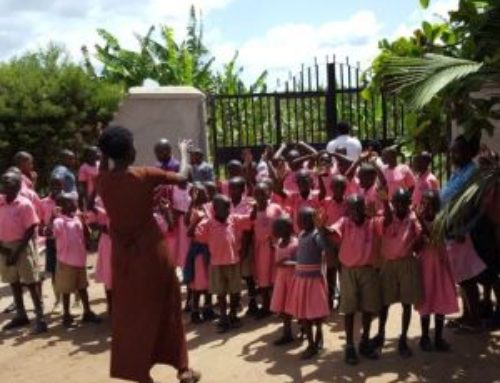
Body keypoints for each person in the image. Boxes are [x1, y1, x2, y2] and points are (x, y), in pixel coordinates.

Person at [96, 126, 200, 383]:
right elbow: (183, 177)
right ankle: (182, 368)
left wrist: (104, 145)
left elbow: (104, 164)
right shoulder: (145, 174)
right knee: (168, 306)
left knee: (131, 314)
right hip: (152, 253)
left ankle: (140, 373)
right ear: (130, 151)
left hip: (123, 258)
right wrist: (184, 153)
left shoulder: (102, 180)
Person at [329, 192, 389, 365]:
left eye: (357, 208)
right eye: (351, 209)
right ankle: (349, 346)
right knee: (349, 309)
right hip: (348, 271)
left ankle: (364, 341)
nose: (354, 211)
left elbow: (388, 222)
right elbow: (331, 230)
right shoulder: (345, 222)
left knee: (368, 308)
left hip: (368, 270)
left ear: (363, 208)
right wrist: (320, 227)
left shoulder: (372, 222)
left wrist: (384, 203)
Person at [372, 188, 423, 358]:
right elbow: (384, 221)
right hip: (389, 264)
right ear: (392, 204)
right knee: (384, 303)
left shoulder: (413, 218)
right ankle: (381, 334)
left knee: (406, 303)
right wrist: (386, 202)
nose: (400, 206)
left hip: (407, 263)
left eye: (404, 203)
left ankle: (403, 339)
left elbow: (419, 240)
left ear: (409, 204)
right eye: (397, 203)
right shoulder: (385, 215)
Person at [191, 194, 252, 333]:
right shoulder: (208, 223)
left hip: (233, 261)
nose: (228, 210)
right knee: (221, 293)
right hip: (216, 264)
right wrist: (197, 219)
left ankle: (233, 315)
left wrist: (253, 209)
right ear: (215, 209)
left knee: (235, 291)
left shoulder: (232, 219)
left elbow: (248, 219)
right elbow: (196, 235)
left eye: (228, 207)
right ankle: (223, 317)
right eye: (224, 207)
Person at [0, 170, 47, 334]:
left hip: (22, 247)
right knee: (13, 281)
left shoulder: (24, 204)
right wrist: (3, 249)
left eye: (8, 182)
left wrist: (16, 252)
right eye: (3, 181)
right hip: (4, 247)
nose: (4, 184)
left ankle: (40, 317)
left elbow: (30, 229)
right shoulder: (0, 202)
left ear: (18, 185)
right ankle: (21, 315)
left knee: (31, 282)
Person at [285, 207, 331, 360]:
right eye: (300, 219)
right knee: (304, 315)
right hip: (301, 280)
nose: (302, 222)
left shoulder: (316, 235)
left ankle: (318, 335)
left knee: (315, 314)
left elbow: (326, 247)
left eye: (305, 219)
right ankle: (311, 344)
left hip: (313, 280)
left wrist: (322, 229)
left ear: (313, 220)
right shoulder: (301, 234)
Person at [415, 190, 458, 352]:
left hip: (440, 264)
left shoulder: (441, 219)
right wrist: (419, 226)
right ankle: (425, 337)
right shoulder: (418, 221)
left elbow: (435, 237)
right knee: (426, 298)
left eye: (430, 202)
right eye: (424, 201)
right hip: (425, 264)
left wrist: (420, 220)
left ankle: (438, 338)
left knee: (440, 296)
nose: (426, 205)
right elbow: (417, 246)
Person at [51, 193, 101, 328]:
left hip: (80, 260)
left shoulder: (77, 219)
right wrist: (53, 216)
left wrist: (90, 230)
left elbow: (87, 235)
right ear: (62, 207)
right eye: (71, 202)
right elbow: (52, 232)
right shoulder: (59, 221)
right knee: (66, 290)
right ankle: (66, 315)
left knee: (83, 287)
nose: (74, 204)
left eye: (74, 202)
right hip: (66, 261)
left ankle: (87, 312)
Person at [253, 182, 285, 319]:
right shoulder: (253, 210)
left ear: (269, 192)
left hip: (274, 247)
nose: (260, 196)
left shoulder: (275, 208)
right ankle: (265, 306)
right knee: (263, 278)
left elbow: (283, 223)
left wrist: (277, 238)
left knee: (276, 277)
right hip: (261, 249)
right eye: (257, 193)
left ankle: (278, 306)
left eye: (263, 192)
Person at [184, 183, 214, 324]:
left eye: (205, 193)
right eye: (201, 193)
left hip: (209, 249)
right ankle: (195, 311)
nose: (205, 195)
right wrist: (196, 219)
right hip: (199, 251)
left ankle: (208, 309)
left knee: (209, 281)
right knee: (198, 283)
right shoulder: (194, 211)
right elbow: (188, 230)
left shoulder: (210, 208)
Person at [270, 216, 298, 345]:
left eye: (278, 228)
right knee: (284, 309)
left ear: (287, 229)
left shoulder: (295, 243)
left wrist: (287, 262)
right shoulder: (279, 241)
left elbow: (300, 261)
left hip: (293, 279)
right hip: (281, 280)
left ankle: (304, 329)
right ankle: (287, 334)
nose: (275, 231)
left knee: (296, 306)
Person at [39, 175, 64, 309]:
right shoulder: (43, 203)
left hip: (66, 242)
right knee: (54, 271)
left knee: (68, 269)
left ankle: (75, 298)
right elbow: (41, 224)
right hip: (51, 242)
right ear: (49, 186)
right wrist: (46, 229)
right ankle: (57, 299)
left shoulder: (68, 200)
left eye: (58, 185)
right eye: (53, 185)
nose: (56, 188)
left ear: (62, 186)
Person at [87, 198, 113, 315]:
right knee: (109, 276)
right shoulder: (99, 200)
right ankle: (112, 308)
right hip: (107, 242)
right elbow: (92, 223)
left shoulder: (125, 192)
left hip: (125, 241)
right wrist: (105, 230)